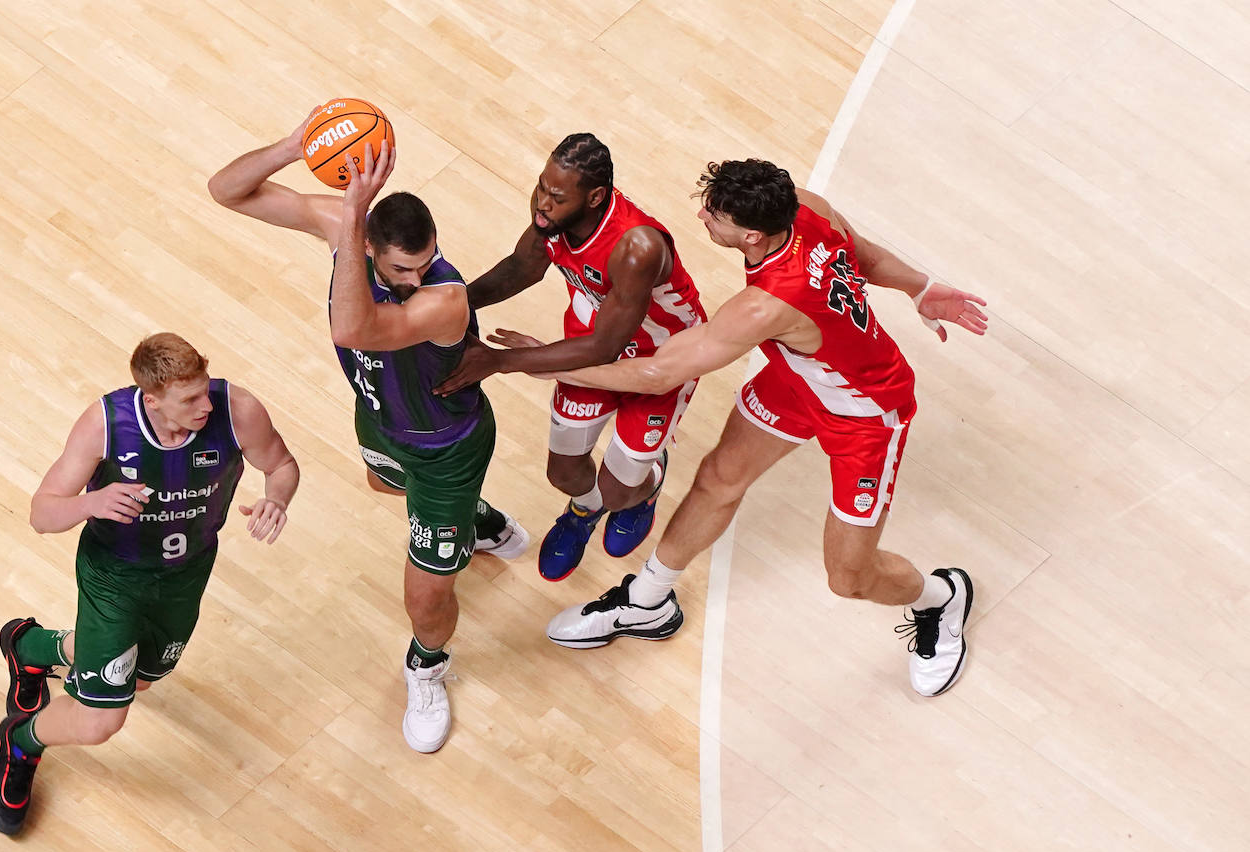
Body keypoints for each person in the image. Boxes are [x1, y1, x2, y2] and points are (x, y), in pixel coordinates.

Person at [535, 159, 990, 696]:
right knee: (718, 478)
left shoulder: (764, 304)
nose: (703, 214)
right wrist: (921, 286)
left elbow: (658, 373)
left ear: (750, 235)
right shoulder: (801, 205)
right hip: (799, 378)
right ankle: (647, 601)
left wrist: (539, 362)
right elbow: (860, 255)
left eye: (715, 214)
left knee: (849, 577)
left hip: (866, 411)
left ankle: (939, 598)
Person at [208, 118, 527, 755]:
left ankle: (426, 668)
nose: (415, 276)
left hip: (446, 448)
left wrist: (349, 223)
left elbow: (352, 329)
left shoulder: (443, 299)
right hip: (380, 417)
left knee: (426, 593)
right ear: (375, 250)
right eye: (402, 267)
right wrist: (299, 145)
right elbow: (226, 190)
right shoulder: (343, 230)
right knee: (383, 483)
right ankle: (475, 521)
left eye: (425, 261)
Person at [0, 332, 300, 835]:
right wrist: (89, 502)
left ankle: (31, 646)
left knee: (142, 679)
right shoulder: (105, 426)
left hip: (187, 571)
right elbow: (41, 514)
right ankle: (20, 741)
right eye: (189, 399)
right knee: (100, 721)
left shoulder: (237, 409)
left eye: (204, 390)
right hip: (115, 576)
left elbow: (281, 464)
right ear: (152, 400)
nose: (204, 406)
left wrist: (276, 499)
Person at [435, 133, 706, 583]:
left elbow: (605, 349)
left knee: (619, 491)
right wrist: (452, 307)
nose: (542, 203)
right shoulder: (552, 217)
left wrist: (504, 361)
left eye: (556, 197)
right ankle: (584, 509)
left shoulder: (637, 247)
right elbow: (521, 267)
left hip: (662, 357)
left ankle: (646, 484)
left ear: (595, 197)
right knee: (563, 471)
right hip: (593, 331)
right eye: (541, 187)